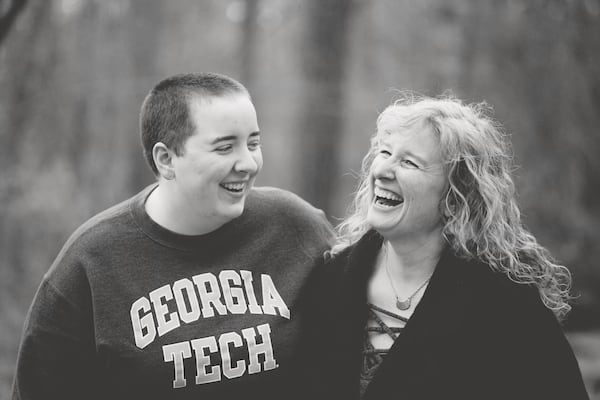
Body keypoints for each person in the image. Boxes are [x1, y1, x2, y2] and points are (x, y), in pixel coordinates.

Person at [12, 72, 334, 400]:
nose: (248, 163)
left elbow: (357, 342)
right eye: (225, 148)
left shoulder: (295, 228)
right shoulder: (90, 263)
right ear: (166, 159)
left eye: (253, 143)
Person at [300, 94, 589, 400]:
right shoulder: (331, 280)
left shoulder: (507, 304)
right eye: (385, 152)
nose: (383, 171)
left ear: (455, 196)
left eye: (409, 163)